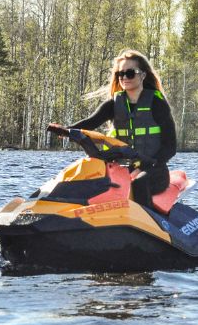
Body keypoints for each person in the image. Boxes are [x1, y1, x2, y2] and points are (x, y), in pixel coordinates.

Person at [69, 49, 177, 207]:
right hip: (122, 167)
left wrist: (145, 166)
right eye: (120, 74)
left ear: (143, 75)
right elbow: (91, 122)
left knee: (138, 182)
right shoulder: (114, 104)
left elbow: (170, 146)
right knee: (88, 179)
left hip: (154, 170)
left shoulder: (157, 103)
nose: (124, 77)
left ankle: (144, 217)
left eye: (130, 73)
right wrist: (65, 130)